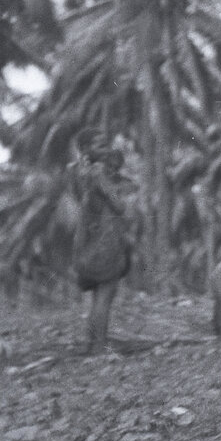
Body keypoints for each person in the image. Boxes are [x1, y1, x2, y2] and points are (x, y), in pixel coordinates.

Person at [70, 130, 141, 354]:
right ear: (86, 149)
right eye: (98, 145)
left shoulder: (81, 172)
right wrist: (123, 198)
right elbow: (118, 205)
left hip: (89, 241)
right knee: (105, 294)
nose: (105, 148)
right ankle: (99, 346)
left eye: (105, 144)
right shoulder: (99, 172)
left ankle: (93, 343)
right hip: (104, 242)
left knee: (98, 295)